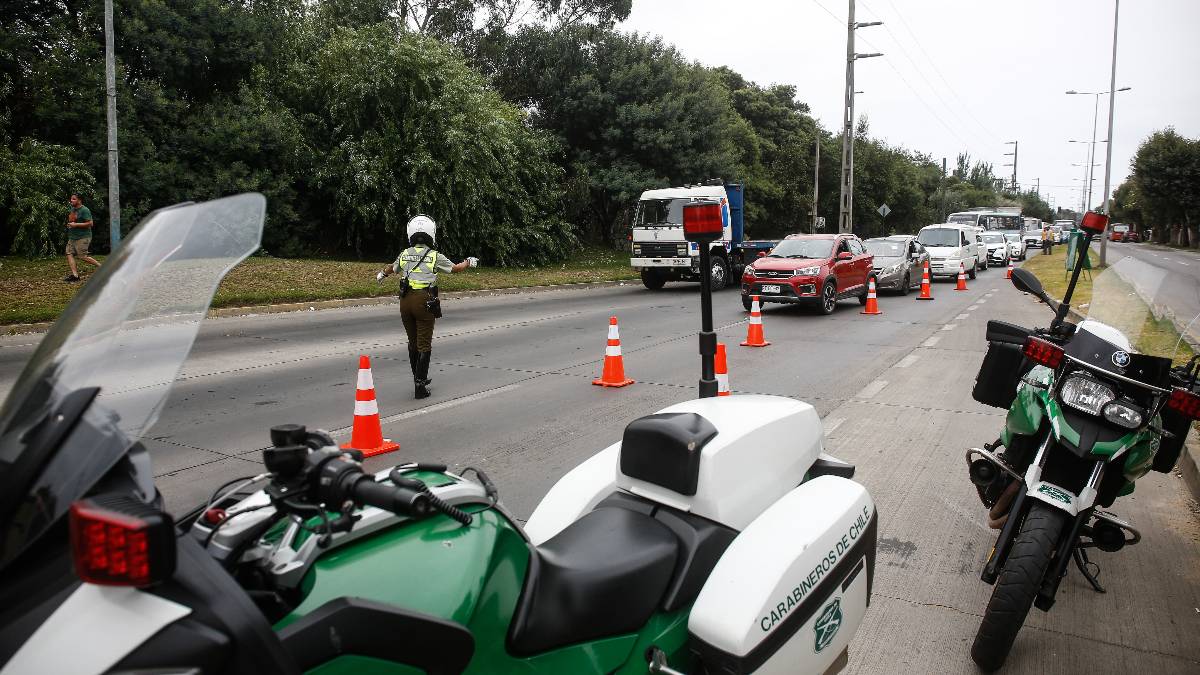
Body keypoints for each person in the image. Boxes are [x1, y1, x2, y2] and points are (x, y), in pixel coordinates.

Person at [377, 215, 478, 399]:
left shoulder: (405, 253)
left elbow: (392, 268)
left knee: (412, 342)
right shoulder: (434, 256)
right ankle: (420, 386)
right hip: (424, 301)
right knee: (424, 344)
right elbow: (455, 268)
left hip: (405, 301)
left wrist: (382, 274)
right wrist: (468, 262)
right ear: (431, 234)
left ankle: (417, 377)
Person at [64, 193, 101, 282]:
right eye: (71, 199)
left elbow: (90, 223)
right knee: (69, 253)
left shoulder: (85, 210)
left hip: (83, 237)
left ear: (79, 200)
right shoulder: (72, 209)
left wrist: (76, 225)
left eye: (73, 199)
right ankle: (75, 276)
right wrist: (70, 224)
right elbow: (72, 220)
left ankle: (102, 267)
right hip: (73, 236)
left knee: (82, 256)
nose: (71, 201)